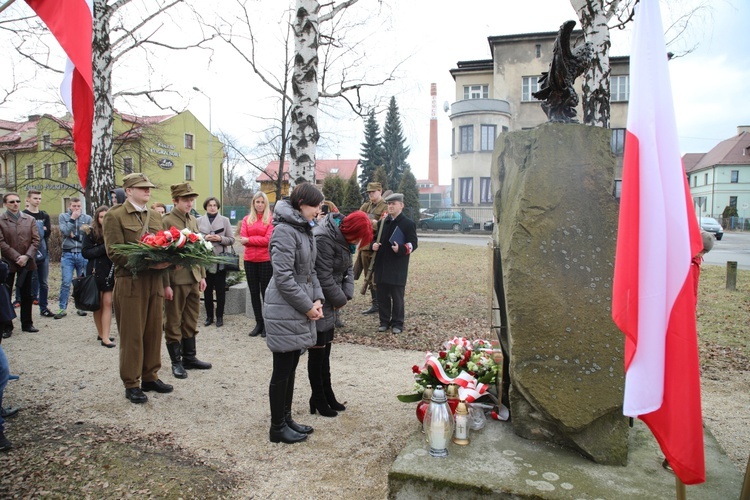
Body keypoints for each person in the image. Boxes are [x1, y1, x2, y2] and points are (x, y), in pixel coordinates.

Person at [103, 173, 173, 404]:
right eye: (142, 188)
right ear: (129, 190)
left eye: (149, 187)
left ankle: (150, 376)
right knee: (132, 333)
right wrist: (148, 262)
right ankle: (131, 382)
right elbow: (114, 252)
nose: (147, 191)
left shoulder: (154, 215)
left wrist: (167, 267)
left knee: (153, 331)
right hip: (130, 280)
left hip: (154, 280)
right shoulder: (115, 216)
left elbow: (162, 244)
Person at [263, 183, 324, 444]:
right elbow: (284, 278)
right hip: (285, 307)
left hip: (297, 305)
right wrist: (307, 306)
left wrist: (318, 298)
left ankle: (286, 419)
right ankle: (277, 427)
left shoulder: (303, 229)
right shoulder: (285, 231)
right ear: (301, 204)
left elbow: (310, 271)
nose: (319, 211)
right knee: (282, 369)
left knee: (291, 366)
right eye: (316, 206)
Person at [310, 210, 372, 417]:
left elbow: (348, 271)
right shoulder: (324, 239)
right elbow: (323, 275)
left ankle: (326, 393)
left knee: (325, 351)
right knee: (318, 352)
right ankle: (318, 397)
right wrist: (340, 299)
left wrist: (345, 296)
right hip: (320, 299)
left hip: (333, 300)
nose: (360, 241)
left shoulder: (346, 241)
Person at [162, 183, 211, 379]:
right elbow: (161, 255)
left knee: (191, 318)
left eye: (191, 200)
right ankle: (176, 362)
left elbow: (198, 250)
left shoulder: (193, 220)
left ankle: (190, 357)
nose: (190, 203)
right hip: (176, 280)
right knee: (173, 320)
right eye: (185, 200)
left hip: (193, 278)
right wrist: (165, 284)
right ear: (175, 201)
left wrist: (203, 276)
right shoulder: (166, 221)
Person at [371, 193, 418, 335]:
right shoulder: (382, 222)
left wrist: (401, 249)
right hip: (382, 265)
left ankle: (398, 323)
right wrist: (373, 245)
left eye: (394, 204)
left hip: (398, 267)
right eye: (389, 204)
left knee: (397, 297)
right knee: (382, 296)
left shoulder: (408, 224)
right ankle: (384, 321)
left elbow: (413, 244)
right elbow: (374, 239)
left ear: (401, 205)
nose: (390, 206)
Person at [0, 192, 41, 337]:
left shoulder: (29, 219)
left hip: (27, 262)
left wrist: (27, 256)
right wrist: (17, 257)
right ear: (5, 204)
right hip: (8, 263)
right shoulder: (1, 220)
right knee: (6, 294)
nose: (15, 204)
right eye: (11, 202)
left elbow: (36, 240)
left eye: (17, 201)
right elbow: (1, 242)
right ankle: (6, 326)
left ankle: (27, 323)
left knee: (27, 293)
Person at [239, 191, 274, 338]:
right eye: (257, 202)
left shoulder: (270, 220)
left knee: (266, 294)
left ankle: (267, 323)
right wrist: (252, 240)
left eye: (262, 202)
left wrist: (250, 240)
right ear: (253, 203)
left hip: (265, 260)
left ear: (266, 204)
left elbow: (268, 240)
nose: (259, 205)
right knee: (254, 293)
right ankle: (258, 322)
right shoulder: (247, 219)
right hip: (249, 261)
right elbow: (242, 238)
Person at [197, 197, 235, 327]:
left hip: (220, 260)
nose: (212, 207)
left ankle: (219, 316)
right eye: (209, 205)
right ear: (206, 207)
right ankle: (209, 316)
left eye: (214, 205)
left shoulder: (225, 220)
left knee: (220, 291)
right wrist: (204, 237)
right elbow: (194, 237)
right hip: (206, 260)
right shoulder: (199, 221)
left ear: (218, 207)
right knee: (206, 291)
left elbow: (231, 239)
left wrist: (220, 238)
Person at [82, 206, 116, 348]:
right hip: (96, 270)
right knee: (98, 304)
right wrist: (104, 247)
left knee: (108, 302)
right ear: (97, 218)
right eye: (101, 216)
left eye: (106, 216)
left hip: (110, 270)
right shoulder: (90, 232)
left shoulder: (114, 231)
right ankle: (101, 333)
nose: (104, 219)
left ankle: (106, 336)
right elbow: (86, 253)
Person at [55, 197, 92, 319]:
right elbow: (65, 232)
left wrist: (75, 237)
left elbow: (88, 237)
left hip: (82, 253)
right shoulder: (63, 217)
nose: (76, 209)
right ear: (69, 206)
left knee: (81, 281)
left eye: (78, 206)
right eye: (74, 206)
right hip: (68, 254)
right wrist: (72, 219)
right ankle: (62, 308)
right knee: (66, 281)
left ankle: (81, 307)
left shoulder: (87, 218)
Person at [356, 182, 388, 315]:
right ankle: (375, 304)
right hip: (365, 246)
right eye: (369, 192)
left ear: (380, 191)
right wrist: (372, 223)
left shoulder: (385, 206)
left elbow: (383, 225)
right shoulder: (365, 206)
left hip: (378, 247)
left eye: (373, 192)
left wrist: (371, 223)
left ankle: (383, 304)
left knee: (378, 277)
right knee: (367, 276)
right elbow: (358, 221)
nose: (370, 195)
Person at [22, 190, 53, 318]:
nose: (38, 200)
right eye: (35, 198)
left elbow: (47, 232)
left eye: (39, 198)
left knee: (44, 282)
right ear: (28, 199)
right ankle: (26, 308)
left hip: (43, 253)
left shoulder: (43, 215)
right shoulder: (23, 215)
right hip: (29, 253)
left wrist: (42, 231)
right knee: (28, 282)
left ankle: (44, 307)